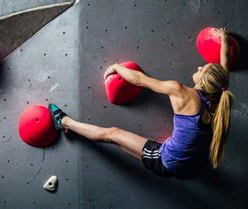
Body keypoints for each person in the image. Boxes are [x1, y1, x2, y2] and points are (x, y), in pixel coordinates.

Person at [49, 28, 233, 179]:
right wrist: (224, 40)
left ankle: (63, 122)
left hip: (167, 162)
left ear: (205, 81)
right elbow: (224, 68)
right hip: (191, 167)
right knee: (122, 143)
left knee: (113, 134)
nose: (200, 67)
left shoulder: (182, 92)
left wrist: (116, 67)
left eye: (203, 69)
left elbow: (139, 80)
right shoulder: (218, 98)